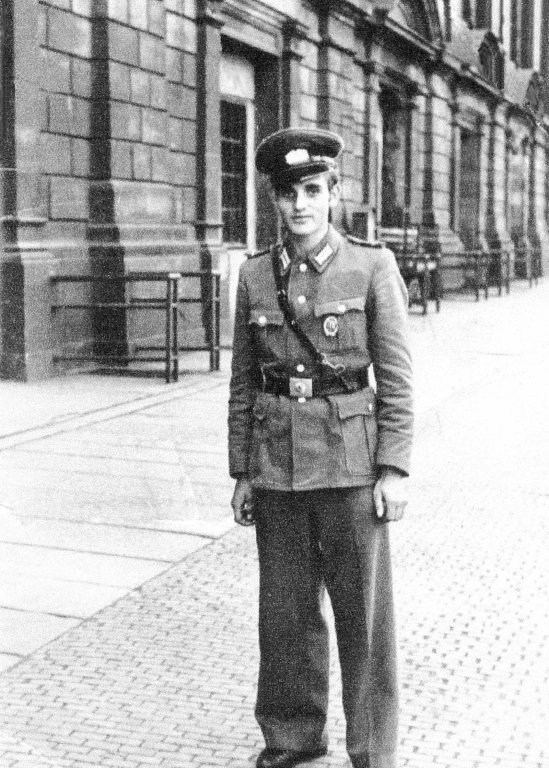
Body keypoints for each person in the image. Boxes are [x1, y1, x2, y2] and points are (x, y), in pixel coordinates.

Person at [228, 127, 413, 768]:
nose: (300, 205)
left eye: (313, 190)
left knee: (363, 615)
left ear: (334, 193)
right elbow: (243, 385)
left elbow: (396, 376)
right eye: (288, 193)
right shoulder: (255, 277)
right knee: (283, 612)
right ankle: (292, 734)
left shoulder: (371, 266)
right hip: (277, 466)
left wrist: (393, 467)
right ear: (274, 200)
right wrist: (242, 471)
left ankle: (371, 746)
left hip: (352, 464)